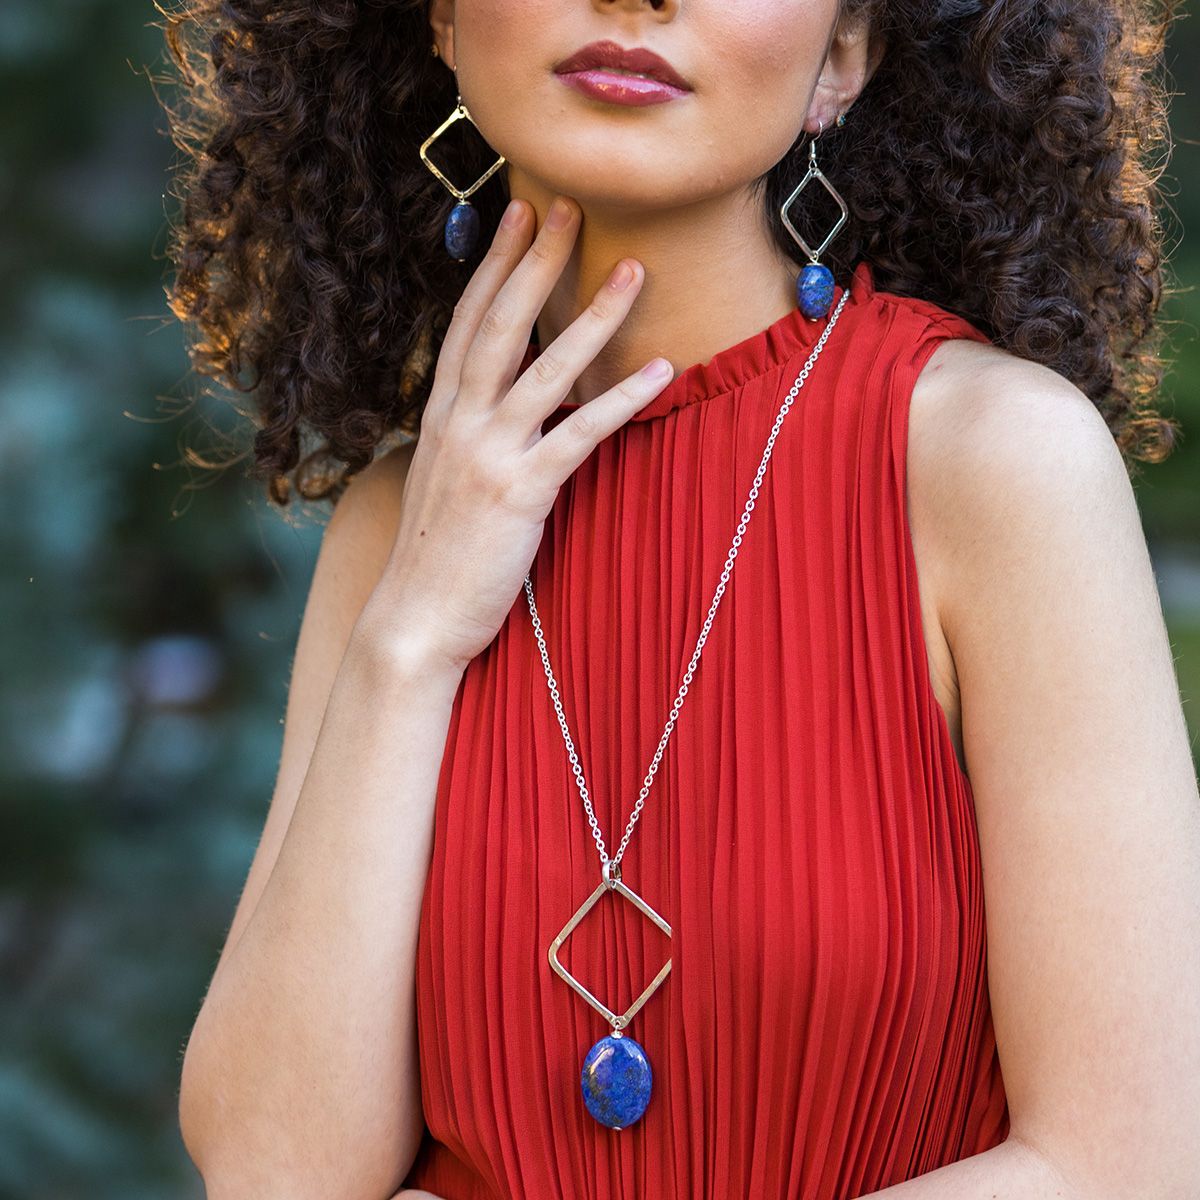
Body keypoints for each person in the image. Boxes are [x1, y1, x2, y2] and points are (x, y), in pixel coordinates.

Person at [162, 1, 1200, 1197]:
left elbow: (1125, 1163)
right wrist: (413, 634)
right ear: (442, 19)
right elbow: (270, 1172)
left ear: (844, 57)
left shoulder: (992, 465)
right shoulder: (401, 529)